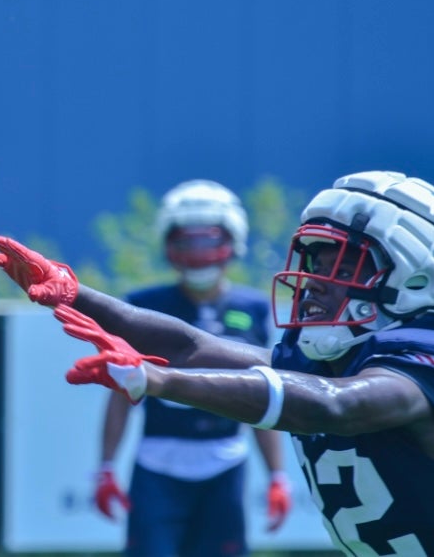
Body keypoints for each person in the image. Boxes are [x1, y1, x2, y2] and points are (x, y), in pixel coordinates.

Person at [0, 171, 434, 555]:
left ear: (414, 277)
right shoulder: (347, 354)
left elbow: (334, 408)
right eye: (314, 263)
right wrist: (76, 294)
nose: (316, 284)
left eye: (340, 266)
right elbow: (194, 347)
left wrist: (159, 380)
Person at [92, 180, 291, 557]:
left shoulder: (254, 308)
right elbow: (121, 392)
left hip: (225, 461)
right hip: (157, 462)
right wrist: (104, 466)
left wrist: (277, 475)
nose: (199, 253)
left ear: (232, 241)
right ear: (170, 244)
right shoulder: (143, 305)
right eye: (188, 242)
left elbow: (262, 395)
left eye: (209, 241)